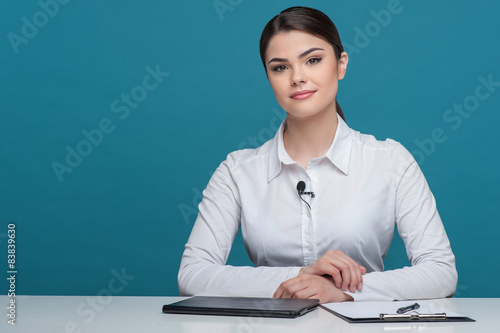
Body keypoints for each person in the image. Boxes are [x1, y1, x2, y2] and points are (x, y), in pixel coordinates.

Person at [178, 6, 457, 303]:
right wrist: (300, 276)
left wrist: (343, 292)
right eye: (280, 67)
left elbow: (440, 272)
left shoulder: (391, 160)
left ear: (341, 64)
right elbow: (192, 275)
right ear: (268, 77)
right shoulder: (237, 170)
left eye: (312, 60)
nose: (297, 77)